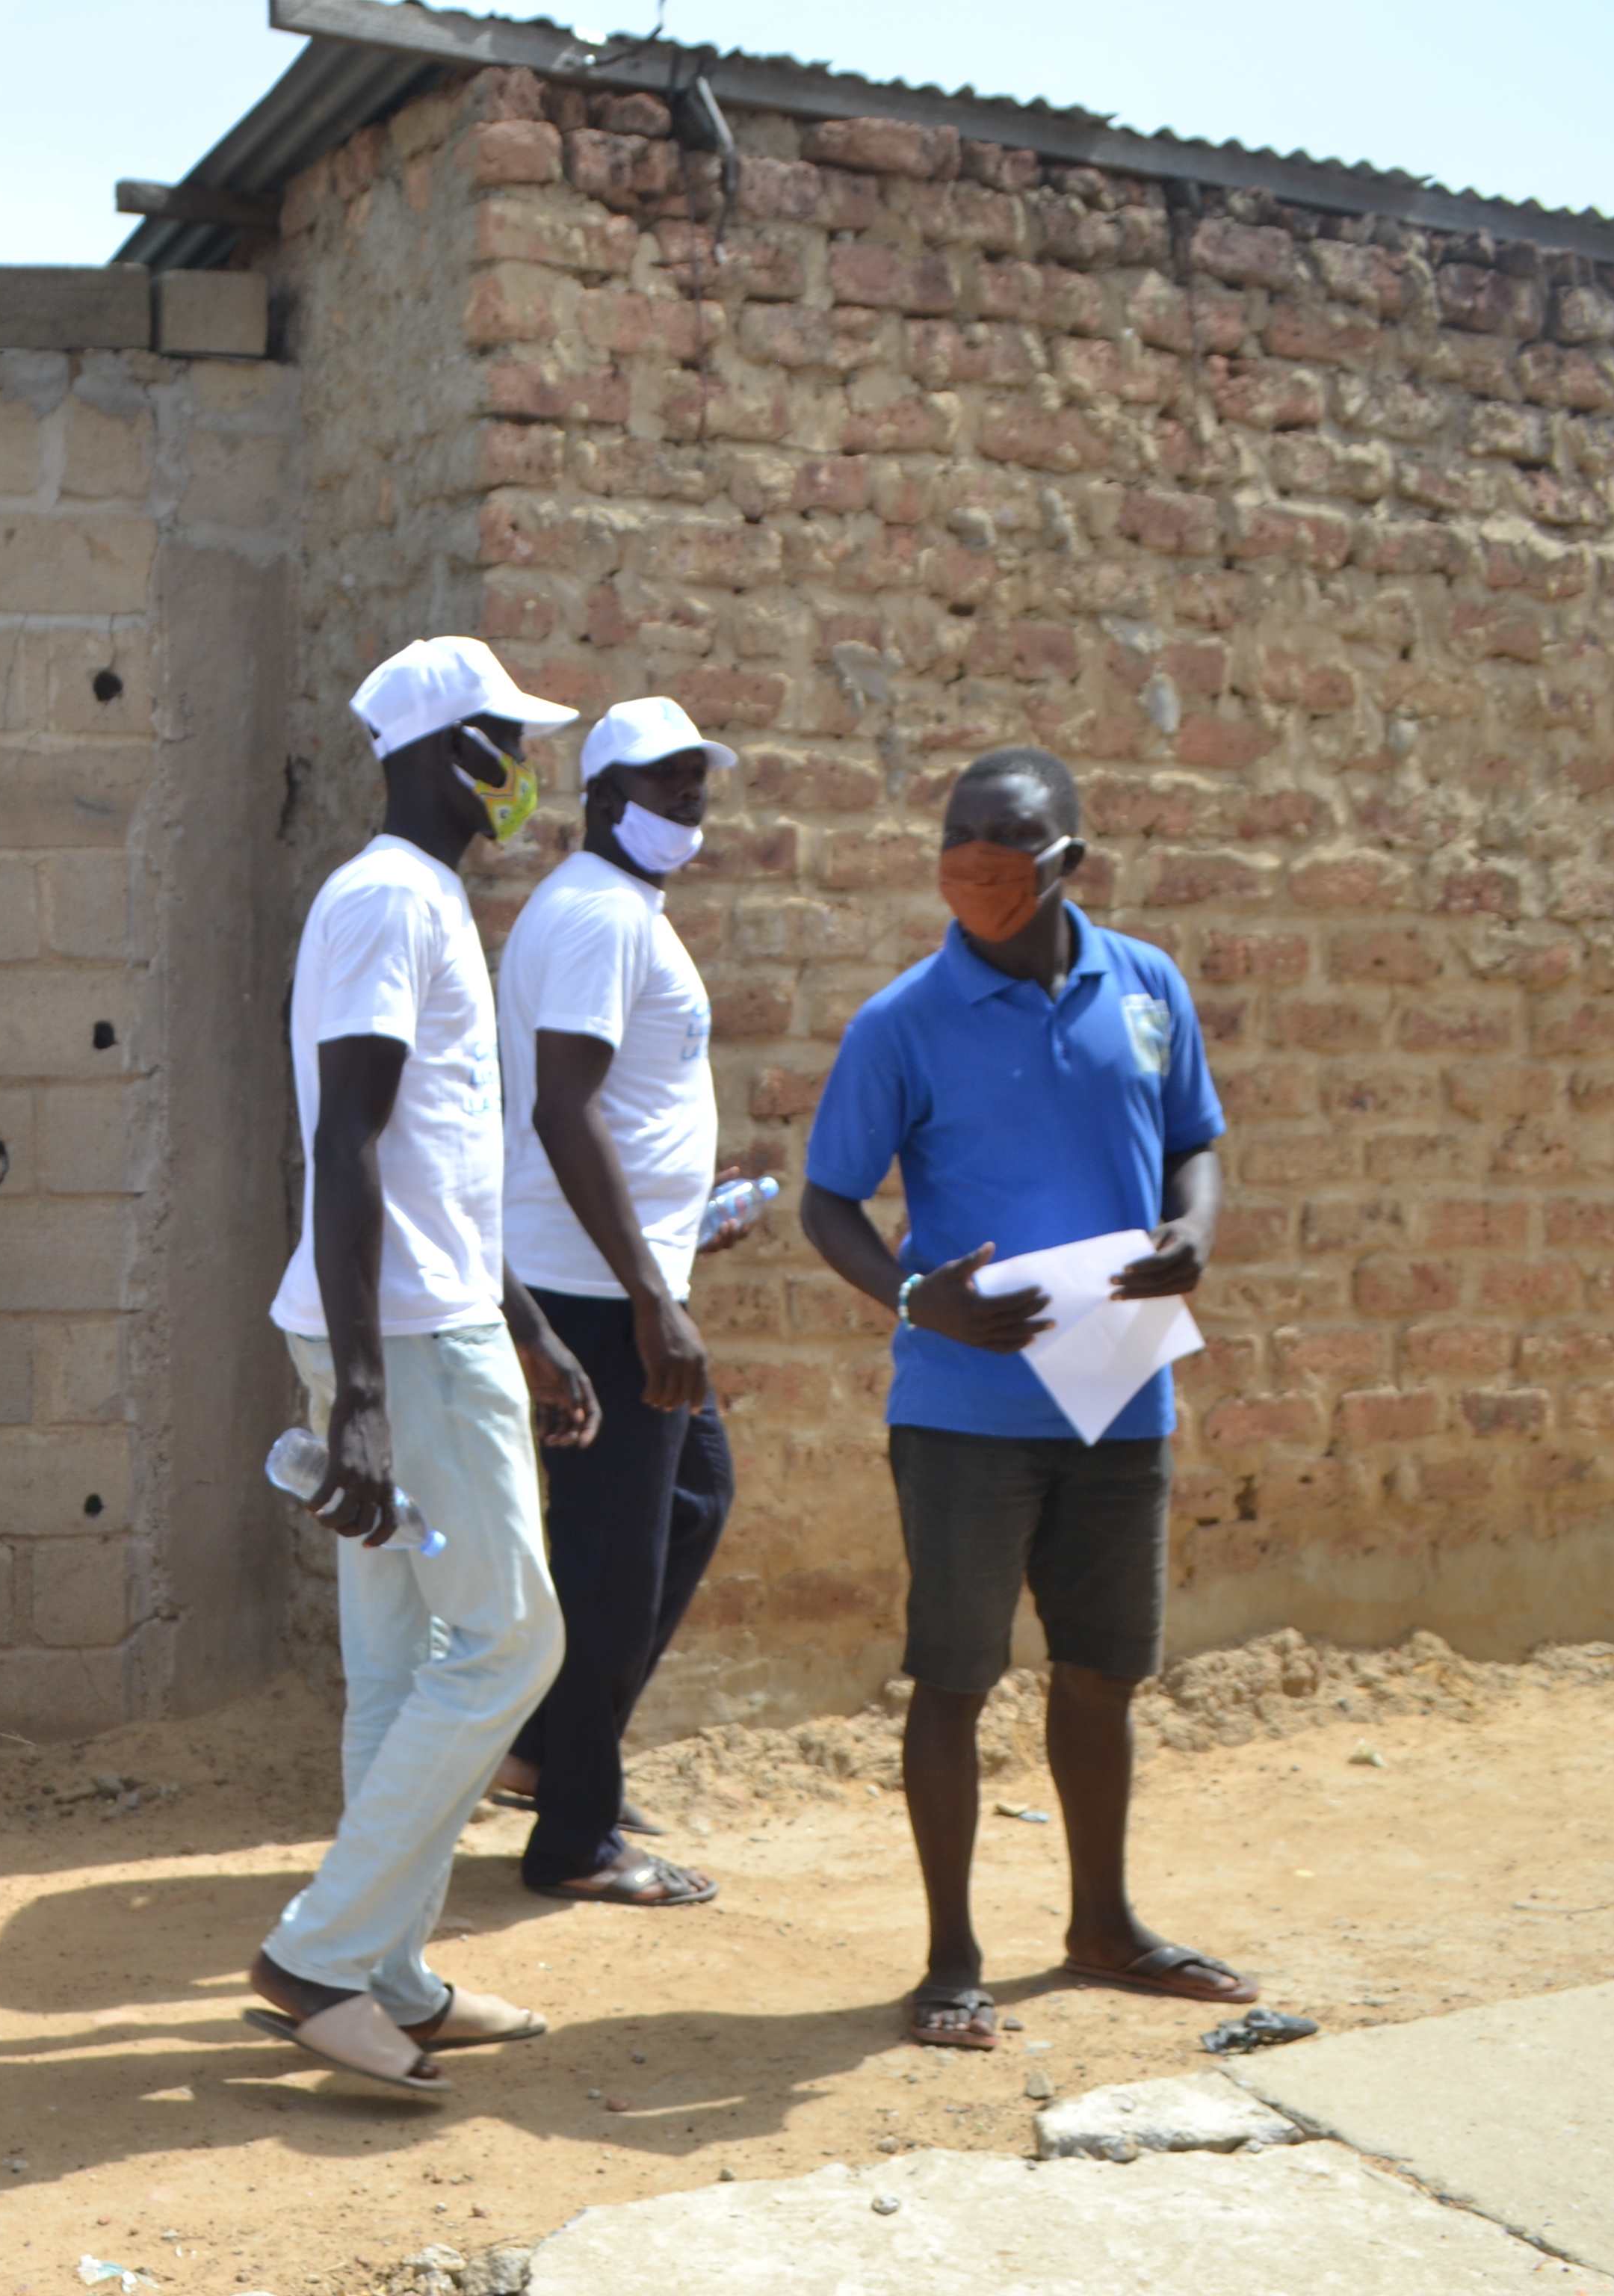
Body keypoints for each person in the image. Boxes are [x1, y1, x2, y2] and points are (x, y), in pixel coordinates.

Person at [797, 746, 1252, 2053]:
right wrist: (909, 1296)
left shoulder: (1148, 983)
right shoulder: (903, 1021)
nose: (976, 888)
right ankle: (950, 1960)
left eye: (1003, 866)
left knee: (1102, 1673)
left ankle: (1102, 1924)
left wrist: (1197, 1232)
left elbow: (1194, 1139)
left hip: (1120, 1393)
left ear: (1067, 866)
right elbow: (831, 1198)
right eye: (956, 866)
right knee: (954, 1677)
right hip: (964, 1410)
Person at [248, 636, 599, 2097]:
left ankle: (382, 1975)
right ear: (449, 752)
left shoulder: (422, 900)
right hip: (402, 1339)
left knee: (403, 1661)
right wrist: (371, 1401)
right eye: (511, 745)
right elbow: (346, 1142)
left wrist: (529, 1322)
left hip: (427, 1319)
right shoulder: (391, 900)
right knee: (514, 1643)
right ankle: (319, 1956)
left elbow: (437, 1159)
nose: (527, 775)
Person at [489, 697, 756, 1910]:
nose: (689, 815)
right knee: (610, 1560)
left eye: (700, 793)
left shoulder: (616, 909)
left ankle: (554, 1752)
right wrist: (652, 1298)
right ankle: (575, 1840)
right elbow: (562, 1105)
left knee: (693, 1500)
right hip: (599, 1293)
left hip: (625, 1273)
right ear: (602, 800)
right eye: (668, 793)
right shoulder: (598, 915)